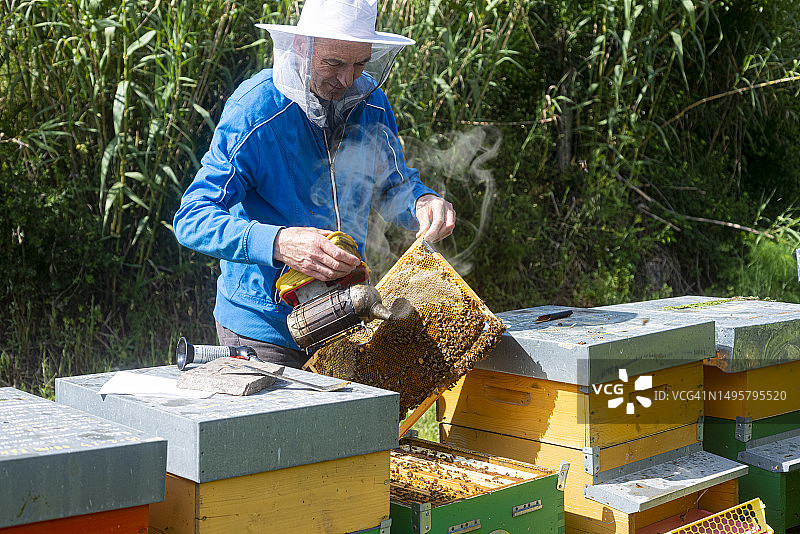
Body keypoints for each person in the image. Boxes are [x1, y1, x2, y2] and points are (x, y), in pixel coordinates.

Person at [173, 0, 455, 368]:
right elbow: (193, 218)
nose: (346, 79)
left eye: (359, 64)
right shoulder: (254, 110)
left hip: (346, 314)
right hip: (264, 328)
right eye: (334, 63)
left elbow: (394, 185)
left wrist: (421, 202)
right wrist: (278, 242)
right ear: (301, 46)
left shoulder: (371, 102)